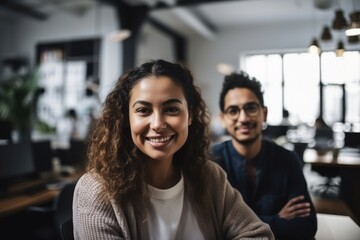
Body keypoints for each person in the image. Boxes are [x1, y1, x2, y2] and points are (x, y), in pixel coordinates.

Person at [72, 59, 274, 239]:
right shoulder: (97, 191)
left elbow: (259, 235)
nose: (158, 124)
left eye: (171, 109)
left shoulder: (209, 175)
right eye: (143, 110)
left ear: (190, 115)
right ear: (126, 118)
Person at [211, 71, 317, 240]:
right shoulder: (211, 162)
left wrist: (236, 224)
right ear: (223, 118)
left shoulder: (287, 160)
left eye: (251, 108)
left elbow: (306, 226)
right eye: (233, 111)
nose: (243, 118)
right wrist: (276, 220)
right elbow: (212, 229)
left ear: (264, 114)